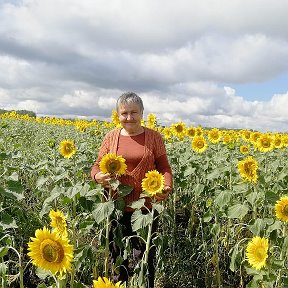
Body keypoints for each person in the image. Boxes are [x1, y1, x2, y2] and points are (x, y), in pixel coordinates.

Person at [91, 92, 173, 287]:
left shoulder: (154, 137)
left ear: (142, 113)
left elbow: (164, 167)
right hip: (116, 207)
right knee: (117, 258)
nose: (129, 118)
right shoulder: (111, 137)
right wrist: (97, 176)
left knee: (143, 259)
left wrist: (166, 186)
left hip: (146, 207)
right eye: (124, 113)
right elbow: (96, 165)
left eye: (134, 112)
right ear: (118, 115)